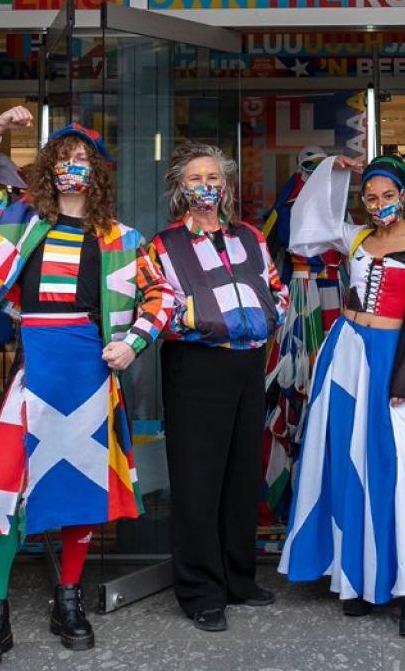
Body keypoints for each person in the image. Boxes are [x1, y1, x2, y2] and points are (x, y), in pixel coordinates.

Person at [0, 107, 169, 671]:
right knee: (2, 489)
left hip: (90, 370)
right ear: (47, 169)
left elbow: (163, 296)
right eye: (65, 161)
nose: (74, 170)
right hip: (35, 365)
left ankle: (67, 599)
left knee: (78, 486)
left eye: (84, 163)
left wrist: (135, 343)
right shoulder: (16, 216)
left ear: (98, 174)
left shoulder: (122, 238)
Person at [280, 153, 405, 638]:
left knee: (396, 465)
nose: (378, 204)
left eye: (387, 195)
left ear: (404, 195)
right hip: (346, 354)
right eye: (370, 197)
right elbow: (306, 225)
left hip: (395, 357)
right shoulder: (355, 238)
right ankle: (353, 578)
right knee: (345, 460)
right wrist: (333, 169)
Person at [141, 143, 288, 633]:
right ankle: (200, 590)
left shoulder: (249, 235)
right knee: (198, 480)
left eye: (214, 176)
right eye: (195, 178)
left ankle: (238, 579)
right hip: (196, 365)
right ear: (180, 190)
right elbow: (157, 304)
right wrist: (204, 322)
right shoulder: (163, 244)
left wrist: (272, 316)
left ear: (225, 186)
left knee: (242, 476)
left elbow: (275, 287)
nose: (206, 185)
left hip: (248, 365)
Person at [257, 146, 342, 520]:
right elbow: (263, 257)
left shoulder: (339, 213)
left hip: (336, 303)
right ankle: (291, 490)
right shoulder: (285, 212)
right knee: (295, 388)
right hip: (300, 305)